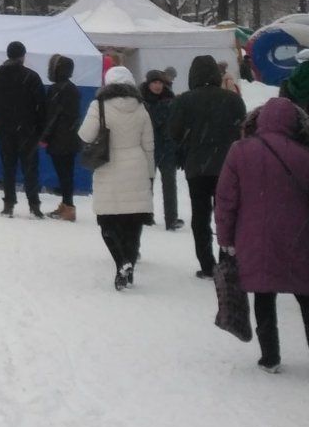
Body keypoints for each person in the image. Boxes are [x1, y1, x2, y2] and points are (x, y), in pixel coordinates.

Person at [215, 97, 309, 376]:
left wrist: (226, 239)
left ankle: (270, 356)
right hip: (299, 237)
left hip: (254, 238)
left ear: (258, 120)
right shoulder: (306, 157)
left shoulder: (239, 152)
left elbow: (225, 200)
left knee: (264, 294)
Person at [76, 66, 156, 290]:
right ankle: (129, 264)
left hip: (108, 166)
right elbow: (149, 145)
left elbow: (84, 134)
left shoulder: (98, 105)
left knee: (107, 221)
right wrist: (150, 175)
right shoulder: (141, 107)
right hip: (137, 166)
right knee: (132, 223)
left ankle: (122, 262)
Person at [168, 55, 247, 278]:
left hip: (197, 166)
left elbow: (173, 132)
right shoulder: (232, 100)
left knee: (200, 215)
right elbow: (243, 130)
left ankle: (206, 263)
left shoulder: (184, 101)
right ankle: (227, 258)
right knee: (228, 213)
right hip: (228, 166)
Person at [0, 41, 46, 218]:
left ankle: (9, 203)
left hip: (5, 128)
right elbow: (41, 106)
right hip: (28, 130)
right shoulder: (32, 77)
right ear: (23, 56)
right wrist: (39, 128)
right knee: (30, 168)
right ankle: (34, 204)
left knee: (8, 166)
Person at [142, 69, 184, 231]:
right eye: (154, 82)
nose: (158, 86)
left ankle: (171, 218)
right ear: (149, 83)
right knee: (147, 183)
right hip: (149, 146)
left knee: (169, 183)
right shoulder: (142, 100)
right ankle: (146, 215)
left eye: (160, 82)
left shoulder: (170, 99)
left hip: (167, 146)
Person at [40, 54, 81, 221]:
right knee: (67, 173)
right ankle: (67, 205)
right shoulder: (73, 88)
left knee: (63, 173)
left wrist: (45, 136)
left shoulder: (56, 89)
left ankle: (68, 206)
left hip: (59, 137)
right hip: (71, 136)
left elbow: (53, 116)